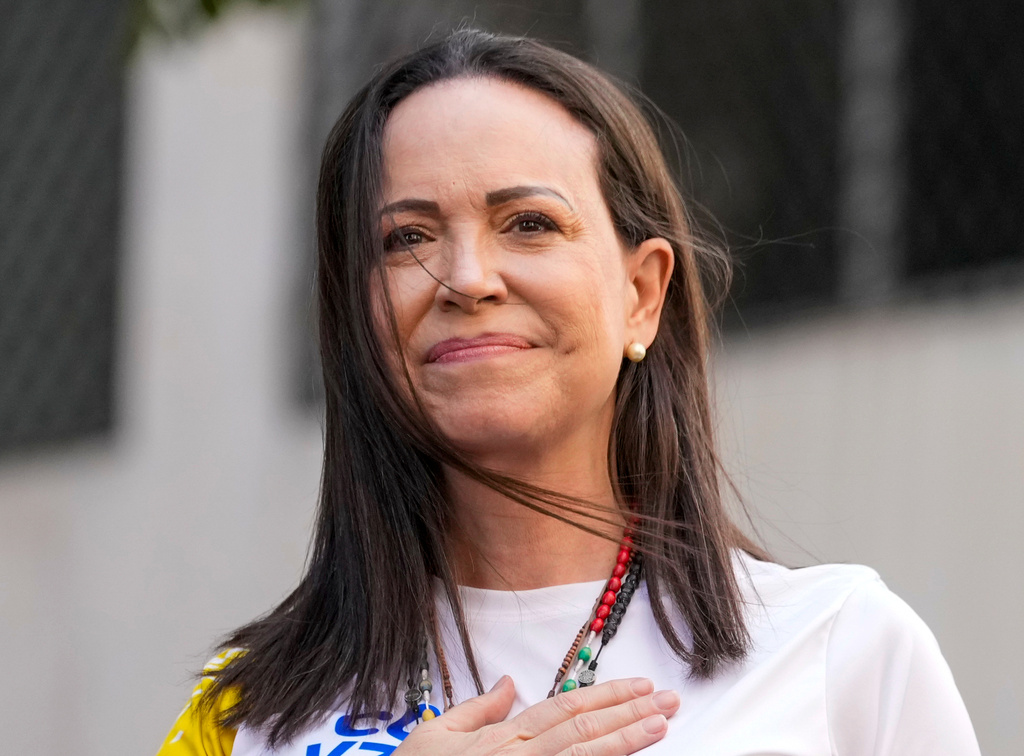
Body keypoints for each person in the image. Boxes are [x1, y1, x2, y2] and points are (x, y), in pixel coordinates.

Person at [157, 29, 980, 756]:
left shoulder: (841, 649)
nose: (468, 279)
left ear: (642, 295)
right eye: (407, 238)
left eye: (529, 224)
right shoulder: (245, 710)